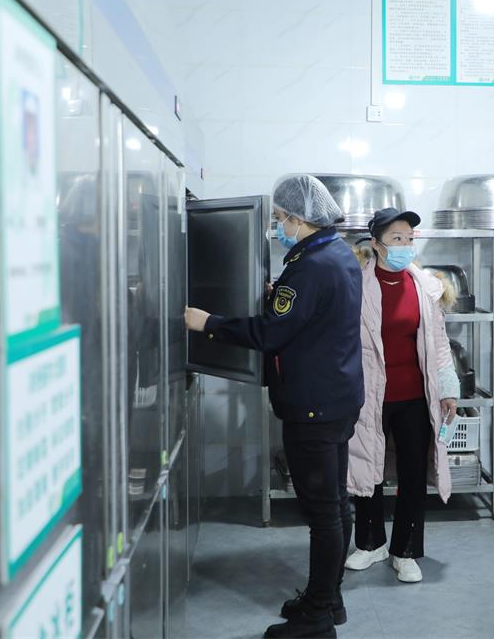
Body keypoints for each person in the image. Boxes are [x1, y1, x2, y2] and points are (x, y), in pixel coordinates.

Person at [185, 174, 363, 639]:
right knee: (336, 505)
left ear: (300, 218)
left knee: (323, 513)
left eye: (282, 218)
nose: (279, 226)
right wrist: (278, 300)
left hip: (313, 406)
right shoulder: (337, 253)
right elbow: (309, 315)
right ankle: (329, 598)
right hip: (337, 398)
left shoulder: (310, 266)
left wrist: (208, 323)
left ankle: (317, 618)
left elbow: (270, 334)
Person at [344, 208, 461, 584]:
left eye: (409, 239)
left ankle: (406, 550)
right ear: (376, 243)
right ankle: (370, 543)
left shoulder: (424, 287)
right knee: (368, 467)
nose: (405, 245)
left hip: (414, 397)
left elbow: (439, 344)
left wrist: (448, 389)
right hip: (369, 396)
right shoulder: (356, 284)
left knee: (412, 474)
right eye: (396, 238)